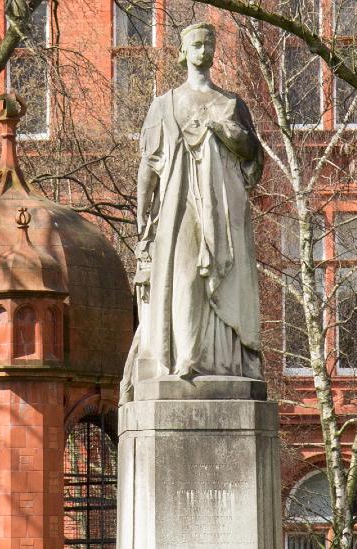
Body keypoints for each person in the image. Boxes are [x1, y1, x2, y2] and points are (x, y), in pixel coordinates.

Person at [123, 22, 264, 400]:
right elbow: (149, 164)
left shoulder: (231, 104)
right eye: (196, 45)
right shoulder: (164, 105)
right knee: (184, 277)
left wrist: (227, 131)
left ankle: (225, 362)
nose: (203, 50)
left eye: (208, 44)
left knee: (223, 275)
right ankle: (184, 357)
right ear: (183, 53)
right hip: (179, 206)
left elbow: (253, 155)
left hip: (225, 207)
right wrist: (143, 213)